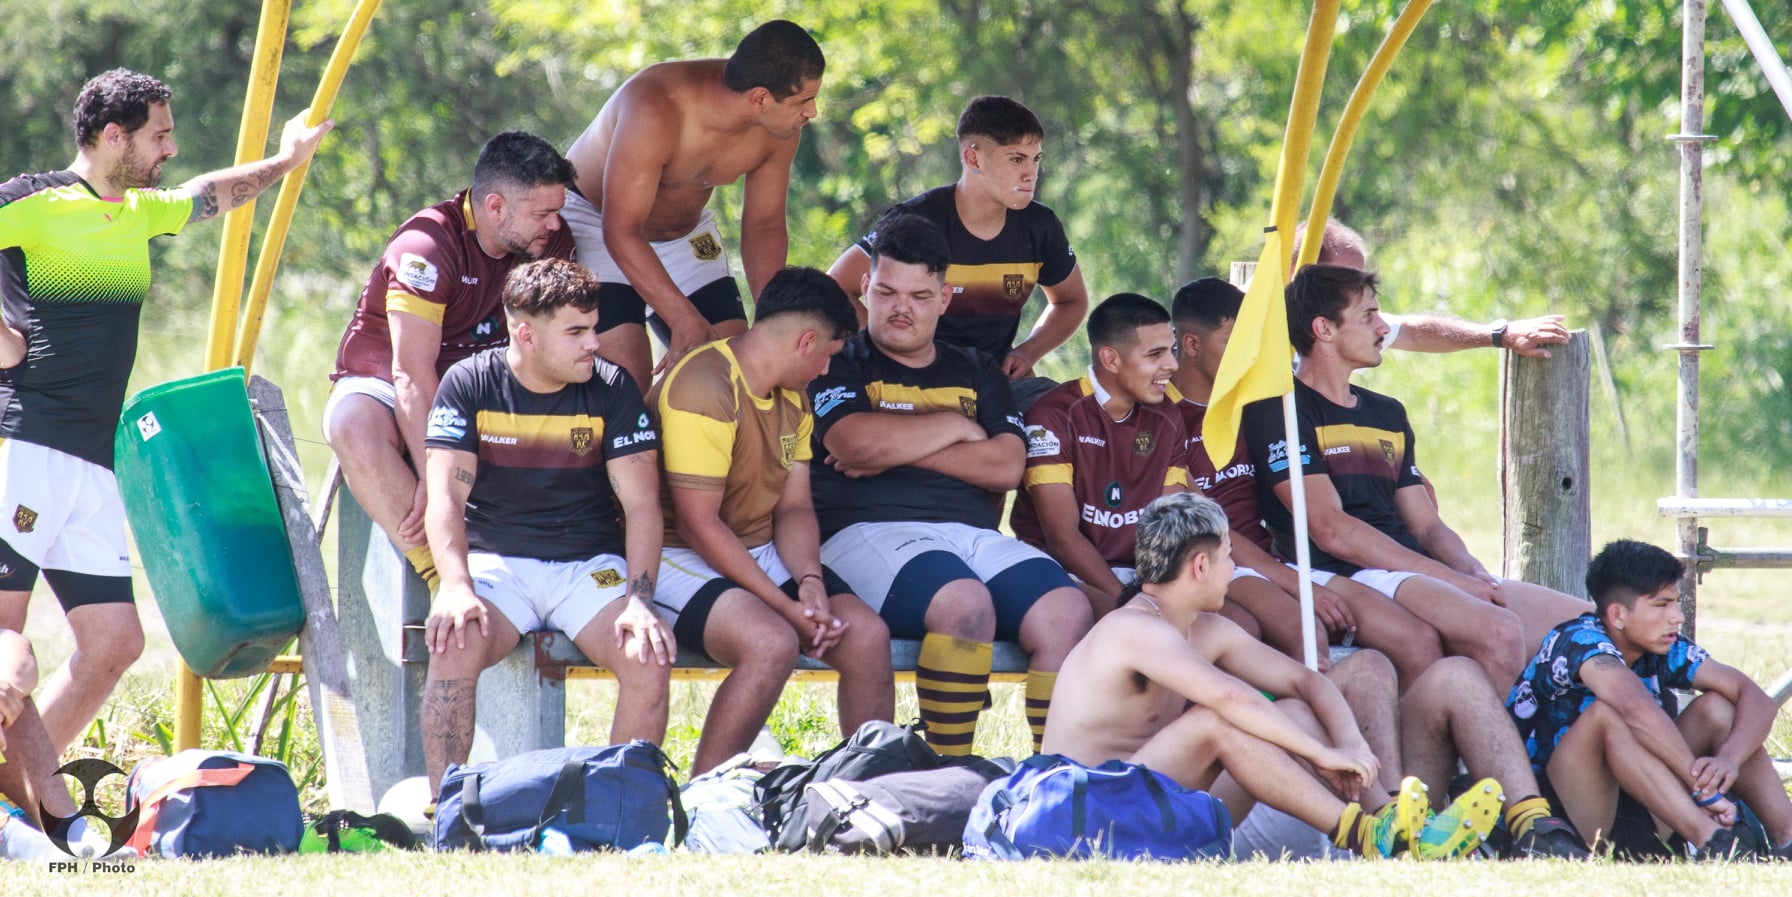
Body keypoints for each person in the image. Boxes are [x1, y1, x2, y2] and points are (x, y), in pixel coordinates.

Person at [0, 69, 330, 755]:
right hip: (26, 444)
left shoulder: (136, 211)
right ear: (113, 136)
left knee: (116, 642)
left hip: (91, 459)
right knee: (7, 649)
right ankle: (39, 800)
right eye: (160, 135)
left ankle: (19, 797)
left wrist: (288, 157)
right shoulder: (35, 200)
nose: (170, 150)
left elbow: (210, 194)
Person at [1042, 492, 1503, 860]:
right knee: (1215, 723)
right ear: (1200, 566)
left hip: (1143, 803)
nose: (1234, 571)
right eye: (1228, 558)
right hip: (1081, 819)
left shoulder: (1207, 630)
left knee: (1297, 713)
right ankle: (1366, 835)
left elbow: (1309, 682)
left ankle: (1392, 825)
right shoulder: (1133, 628)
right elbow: (1230, 698)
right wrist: (1321, 753)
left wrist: (1351, 746)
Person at [807, 214, 1091, 755]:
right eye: (886, 291)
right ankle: (947, 771)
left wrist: (902, 447)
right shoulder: (839, 359)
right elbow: (854, 444)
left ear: (945, 297)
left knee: (1067, 609)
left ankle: (1052, 778)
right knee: (966, 604)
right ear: (864, 289)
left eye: (919, 294)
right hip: (864, 531)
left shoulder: (979, 368)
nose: (900, 308)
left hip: (968, 534)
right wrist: (957, 430)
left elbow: (1007, 466)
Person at [1241, 265, 1591, 688]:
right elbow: (1332, 531)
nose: (1382, 327)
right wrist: (1447, 578)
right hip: (1346, 571)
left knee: (1590, 625)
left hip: (1405, 567)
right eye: (1368, 315)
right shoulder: (1280, 410)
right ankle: (1496, 749)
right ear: (1323, 329)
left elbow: (1425, 524)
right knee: (1499, 631)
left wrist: (1472, 571)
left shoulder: (1386, 411)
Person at [418, 259, 672, 791]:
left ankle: (613, 815)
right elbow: (444, 495)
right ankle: (448, 813)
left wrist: (639, 600)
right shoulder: (469, 382)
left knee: (647, 655)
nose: (594, 344)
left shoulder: (612, 388)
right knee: (452, 641)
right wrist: (456, 586)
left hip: (589, 567)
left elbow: (644, 505)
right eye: (576, 332)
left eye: (594, 328)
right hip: (497, 564)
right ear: (526, 334)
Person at [648, 266, 894, 775]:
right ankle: (705, 801)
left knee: (866, 636)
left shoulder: (792, 394)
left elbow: (795, 507)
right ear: (806, 341)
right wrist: (783, 604)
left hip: (749, 546)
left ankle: (865, 793)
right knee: (771, 642)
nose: (827, 371)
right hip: (675, 551)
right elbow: (698, 524)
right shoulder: (704, 385)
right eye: (828, 355)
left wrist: (809, 584)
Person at [326, 131, 577, 593]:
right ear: (496, 206)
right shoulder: (426, 245)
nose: (557, 225)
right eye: (544, 213)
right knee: (350, 424)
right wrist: (434, 479)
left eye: (558, 211)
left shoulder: (549, 245)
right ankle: (442, 574)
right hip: (390, 380)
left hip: (482, 387)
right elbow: (411, 374)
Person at [1171, 277, 1442, 683]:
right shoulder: (1163, 419)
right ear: (1192, 346)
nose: (1250, 356)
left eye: (1254, 342)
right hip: (1224, 561)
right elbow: (1211, 529)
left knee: (1420, 636)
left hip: (1285, 561)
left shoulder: (1262, 404)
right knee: (1300, 633)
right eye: (1236, 342)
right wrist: (1297, 584)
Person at [563, 20, 823, 390]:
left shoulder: (781, 126)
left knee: (733, 376)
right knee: (626, 386)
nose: (812, 112)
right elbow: (620, 230)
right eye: (804, 101)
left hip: (685, 235)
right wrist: (682, 317)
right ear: (761, 98)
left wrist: (773, 316)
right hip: (598, 224)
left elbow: (764, 225)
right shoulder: (655, 105)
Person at [1507, 539, 1792, 860]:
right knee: (1608, 715)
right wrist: (1702, 790)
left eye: (1675, 602)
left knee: (1719, 709)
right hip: (1573, 813)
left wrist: (1728, 759)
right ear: (1617, 615)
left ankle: (1788, 837)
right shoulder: (1579, 638)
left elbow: (1756, 699)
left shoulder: (1662, 646)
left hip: (1650, 799)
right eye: (1661, 605)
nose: (1676, 617)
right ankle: (1713, 841)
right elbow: (1633, 706)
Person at [826, 96, 1088, 409]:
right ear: (973, 159)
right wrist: (888, 350)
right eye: (1017, 160)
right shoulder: (916, 218)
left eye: (1036, 159)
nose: (1031, 173)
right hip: (912, 386)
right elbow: (834, 288)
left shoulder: (1040, 225)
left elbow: (1071, 300)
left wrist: (1027, 352)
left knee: (1072, 415)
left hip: (991, 383)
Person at [1008, 293, 1199, 620]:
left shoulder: (1167, 415)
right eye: (1156, 354)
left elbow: (1168, 524)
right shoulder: (1053, 414)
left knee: (1237, 625)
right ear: (1110, 360)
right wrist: (1130, 601)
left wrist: (1160, 591)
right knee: (1140, 628)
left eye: (1172, 350)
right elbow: (1062, 540)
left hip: (1138, 578)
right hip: (1062, 574)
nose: (1172, 365)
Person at [1292, 219, 1569, 358]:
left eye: (1360, 280)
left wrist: (1501, 335)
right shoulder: (1253, 317)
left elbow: (1413, 333)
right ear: (1303, 278)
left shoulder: (1340, 320)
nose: (1359, 291)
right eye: (1347, 283)